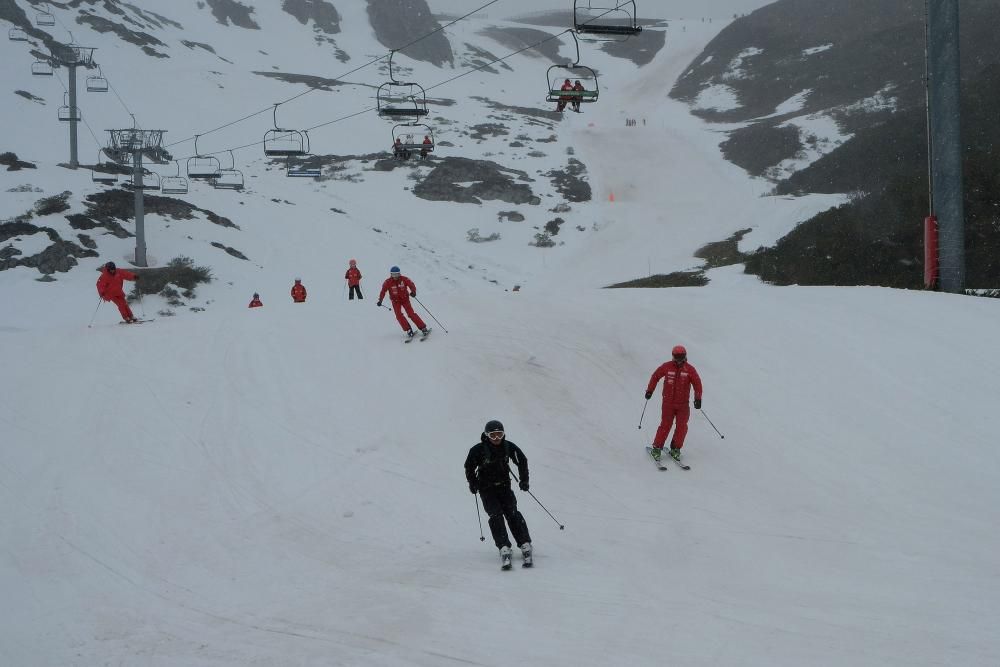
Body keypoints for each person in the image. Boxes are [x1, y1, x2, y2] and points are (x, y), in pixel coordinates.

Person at [465, 420, 532, 568]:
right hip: (486, 489)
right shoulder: (478, 450)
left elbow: (522, 461)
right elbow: (469, 466)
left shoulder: (508, 447)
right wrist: (473, 483)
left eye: (499, 435)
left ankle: (525, 543)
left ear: (503, 434)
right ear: (486, 435)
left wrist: (524, 480)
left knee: (512, 513)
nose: (496, 438)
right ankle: (503, 546)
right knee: (495, 515)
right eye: (493, 435)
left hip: (504, 487)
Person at [645, 345, 703, 462]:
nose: (679, 359)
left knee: (682, 427)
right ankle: (657, 448)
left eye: (681, 357)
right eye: (677, 357)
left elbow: (697, 384)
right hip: (668, 404)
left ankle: (675, 448)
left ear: (685, 356)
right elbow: (655, 376)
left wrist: (698, 399)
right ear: (673, 356)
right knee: (666, 425)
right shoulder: (667, 367)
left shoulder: (689, 369)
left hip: (683, 405)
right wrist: (650, 390)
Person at [377, 266, 428, 339]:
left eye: (397, 274)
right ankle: (408, 329)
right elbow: (383, 291)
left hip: (405, 299)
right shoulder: (387, 282)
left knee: (411, 314)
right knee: (398, 315)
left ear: (399, 274)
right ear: (391, 274)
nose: (395, 276)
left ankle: (423, 328)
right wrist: (380, 300)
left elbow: (411, 284)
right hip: (395, 301)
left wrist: (413, 292)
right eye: (393, 274)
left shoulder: (404, 279)